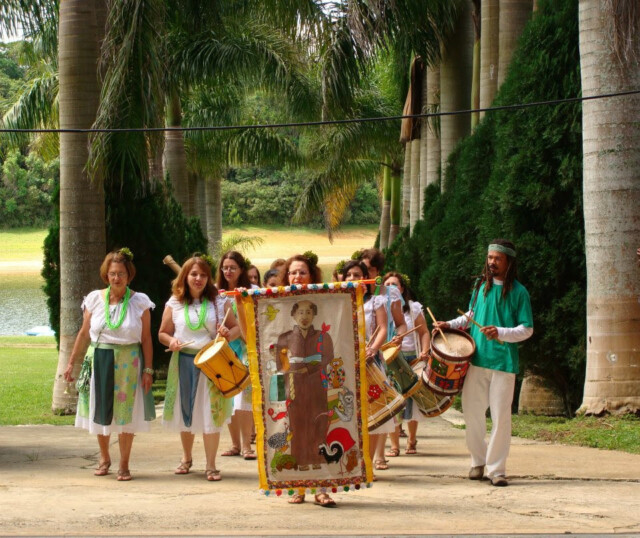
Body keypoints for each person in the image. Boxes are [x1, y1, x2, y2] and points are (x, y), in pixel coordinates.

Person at [434, 239, 533, 487]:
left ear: (509, 262)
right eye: (489, 258)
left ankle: (496, 469)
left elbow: (527, 329)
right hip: (476, 360)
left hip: (503, 363)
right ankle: (478, 461)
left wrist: (500, 332)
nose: (491, 262)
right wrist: (449, 324)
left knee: (501, 417)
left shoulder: (520, 292)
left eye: (497, 258)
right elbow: (471, 315)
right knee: (472, 412)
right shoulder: (481, 287)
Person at [63, 248, 155, 481]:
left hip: (129, 362)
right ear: (106, 274)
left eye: (121, 273)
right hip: (100, 359)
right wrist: (71, 362)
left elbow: (146, 339)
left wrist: (148, 370)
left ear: (129, 275)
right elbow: (84, 333)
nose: (117, 278)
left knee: (126, 414)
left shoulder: (139, 302)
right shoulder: (94, 298)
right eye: (113, 273)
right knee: (100, 410)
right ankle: (104, 458)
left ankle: (124, 464)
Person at [158, 255, 242, 481]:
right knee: (186, 411)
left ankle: (212, 465)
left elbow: (236, 329)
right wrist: (172, 341)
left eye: (203, 275)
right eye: (194, 274)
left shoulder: (219, 301)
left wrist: (226, 334)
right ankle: (186, 458)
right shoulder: (174, 302)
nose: (198, 279)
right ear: (185, 276)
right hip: (184, 361)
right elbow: (162, 333)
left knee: (210, 413)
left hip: (211, 363)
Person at [278, 253, 335, 507]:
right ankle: (299, 486)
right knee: (296, 431)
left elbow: (328, 359)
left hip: (317, 388)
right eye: (292, 273)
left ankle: (321, 487)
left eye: (302, 272)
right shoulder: (284, 336)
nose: (296, 277)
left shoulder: (323, 336)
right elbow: (277, 362)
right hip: (293, 389)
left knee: (318, 430)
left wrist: (309, 369)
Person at [357, 249, 407, 469]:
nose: (364, 273)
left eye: (369, 269)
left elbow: (400, 323)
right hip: (356, 357)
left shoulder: (389, 294)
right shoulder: (353, 291)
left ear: (377, 271)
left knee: (379, 404)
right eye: (362, 269)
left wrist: (398, 338)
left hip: (380, 355)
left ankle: (378, 455)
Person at [342, 260, 391, 475]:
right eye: (349, 275)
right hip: (345, 362)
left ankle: (368, 463)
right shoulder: (339, 302)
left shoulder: (376, 302)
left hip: (371, 360)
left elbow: (382, 328)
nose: (353, 279)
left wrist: (372, 349)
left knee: (374, 412)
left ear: (366, 278)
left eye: (357, 275)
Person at [383, 272, 430, 456]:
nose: (391, 287)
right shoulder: (381, 308)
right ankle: (394, 446)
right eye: (387, 284)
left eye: (395, 284)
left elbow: (424, 332)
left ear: (402, 288)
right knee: (393, 402)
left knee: (413, 401)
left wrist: (425, 353)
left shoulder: (413, 308)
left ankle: (411, 440)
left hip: (412, 359)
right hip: (389, 359)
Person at [216, 251, 257, 460]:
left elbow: (251, 323)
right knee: (229, 397)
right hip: (224, 351)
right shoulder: (216, 294)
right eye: (225, 267)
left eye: (233, 267)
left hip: (246, 350)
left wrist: (237, 331)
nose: (228, 271)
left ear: (241, 269)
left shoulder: (253, 292)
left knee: (244, 400)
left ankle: (246, 445)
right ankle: (234, 444)